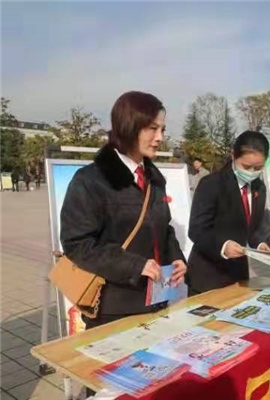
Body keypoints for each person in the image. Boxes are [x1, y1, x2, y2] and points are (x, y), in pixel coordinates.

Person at [60, 91, 187, 330]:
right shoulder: (91, 180)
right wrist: (135, 265)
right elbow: (77, 244)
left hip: (158, 299)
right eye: (152, 129)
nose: (160, 137)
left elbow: (164, 228)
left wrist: (177, 258)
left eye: (162, 129)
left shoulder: (154, 179)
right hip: (113, 308)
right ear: (129, 127)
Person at [187, 130, 270, 295]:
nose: (252, 172)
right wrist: (223, 246)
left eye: (258, 167)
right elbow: (197, 230)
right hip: (208, 276)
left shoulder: (259, 188)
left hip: (238, 276)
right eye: (246, 166)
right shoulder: (212, 184)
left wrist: (260, 244)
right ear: (233, 156)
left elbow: (251, 227)